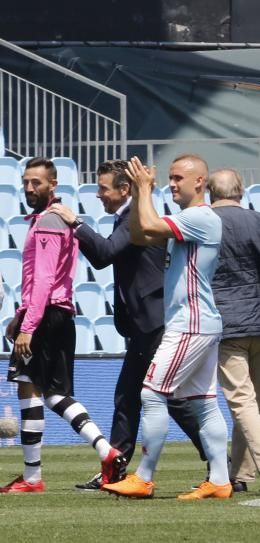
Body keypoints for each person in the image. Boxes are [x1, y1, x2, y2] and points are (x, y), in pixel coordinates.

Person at [47, 160, 206, 491]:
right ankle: (116, 468)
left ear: (124, 190)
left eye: (103, 188)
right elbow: (104, 255)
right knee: (130, 396)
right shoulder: (128, 218)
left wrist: (75, 224)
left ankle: (219, 461)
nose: (98, 194)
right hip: (146, 323)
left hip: (154, 323)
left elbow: (104, 253)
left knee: (164, 398)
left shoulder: (136, 218)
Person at [102, 155, 231, 500]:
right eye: (170, 178)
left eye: (179, 178)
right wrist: (145, 193)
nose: (173, 184)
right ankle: (220, 480)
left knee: (151, 393)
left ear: (200, 182)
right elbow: (142, 233)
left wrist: (144, 189)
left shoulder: (200, 217)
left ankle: (144, 477)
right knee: (204, 403)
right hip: (199, 321)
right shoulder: (188, 219)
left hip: (190, 322)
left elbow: (149, 228)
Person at [2, 157, 125, 494]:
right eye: (26, 182)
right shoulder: (55, 219)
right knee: (55, 393)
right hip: (59, 314)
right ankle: (106, 450)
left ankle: (31, 478)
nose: (29, 188)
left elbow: (43, 279)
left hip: (46, 316)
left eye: (37, 183)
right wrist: (20, 315)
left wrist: (28, 324)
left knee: (29, 388)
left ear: (52, 185)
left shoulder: (49, 222)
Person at [208, 168, 260, 492]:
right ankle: (239, 477)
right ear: (240, 191)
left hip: (228, 322)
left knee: (242, 401)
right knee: (251, 404)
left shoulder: (205, 222)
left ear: (210, 193)